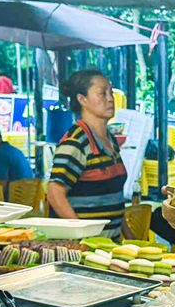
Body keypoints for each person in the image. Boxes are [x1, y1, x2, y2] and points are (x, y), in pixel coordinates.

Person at [50, 68, 132, 234]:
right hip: (87, 251)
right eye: (102, 93)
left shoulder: (110, 141)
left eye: (111, 93)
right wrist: (82, 236)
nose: (110, 99)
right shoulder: (75, 143)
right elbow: (55, 194)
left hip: (109, 245)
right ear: (82, 100)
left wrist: (128, 234)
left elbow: (112, 196)